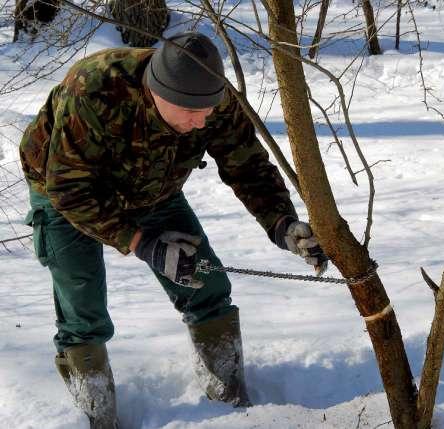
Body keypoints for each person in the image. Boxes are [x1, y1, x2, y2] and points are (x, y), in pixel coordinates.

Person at [19, 32, 328, 428]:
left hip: (153, 189)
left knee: (207, 284)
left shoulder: (212, 98)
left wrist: (282, 223)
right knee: (83, 310)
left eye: (208, 111)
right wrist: (142, 243)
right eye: (190, 112)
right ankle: (95, 418)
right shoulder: (95, 89)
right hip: (65, 192)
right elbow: (69, 188)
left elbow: (247, 166)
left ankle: (230, 407)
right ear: (156, 91)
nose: (201, 120)